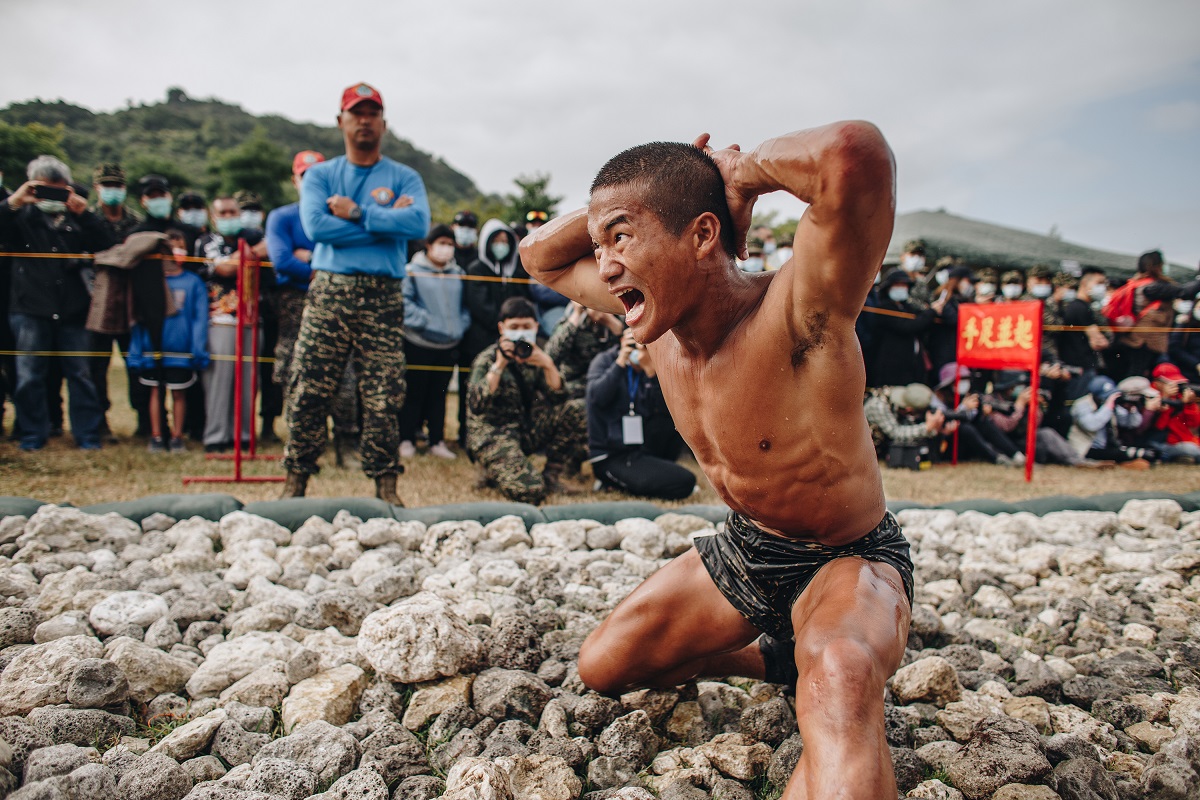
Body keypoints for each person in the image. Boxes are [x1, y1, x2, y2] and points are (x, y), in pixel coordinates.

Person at [520, 124, 914, 798]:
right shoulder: (657, 325)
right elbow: (538, 258)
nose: (606, 264)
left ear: (702, 236)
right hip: (750, 549)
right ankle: (779, 655)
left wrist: (740, 173)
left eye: (622, 237)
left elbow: (856, 155)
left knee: (842, 668)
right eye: (599, 245)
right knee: (602, 666)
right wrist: (654, 191)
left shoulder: (799, 311)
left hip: (848, 554)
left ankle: (830, 668)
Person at [282, 82, 430, 504]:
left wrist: (358, 212)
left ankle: (386, 488)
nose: (364, 120)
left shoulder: (405, 176)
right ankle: (295, 484)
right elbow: (316, 227)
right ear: (341, 121)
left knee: (384, 393)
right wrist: (386, 222)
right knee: (310, 386)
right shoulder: (322, 174)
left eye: (372, 113)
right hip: (331, 289)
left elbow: (418, 225)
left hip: (383, 294)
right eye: (356, 112)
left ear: (383, 122)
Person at [0, 155, 114, 451]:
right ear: (32, 187)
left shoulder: (77, 220)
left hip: (73, 308)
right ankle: (32, 435)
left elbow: (108, 246)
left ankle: (87, 436)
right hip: (29, 307)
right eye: (46, 190)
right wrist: (14, 202)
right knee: (29, 376)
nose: (54, 197)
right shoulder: (19, 219)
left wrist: (85, 213)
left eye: (59, 190)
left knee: (81, 373)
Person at [266, 150, 361, 463]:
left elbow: (350, 256)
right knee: (297, 376)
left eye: (317, 176)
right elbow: (281, 261)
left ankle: (346, 444)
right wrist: (322, 265)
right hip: (293, 307)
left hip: (337, 304)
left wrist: (311, 258)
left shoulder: (340, 215)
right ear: (294, 179)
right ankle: (304, 446)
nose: (310, 182)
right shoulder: (282, 217)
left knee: (344, 374)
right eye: (304, 176)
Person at [466, 296, 587, 504]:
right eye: (514, 326)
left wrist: (548, 365)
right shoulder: (487, 359)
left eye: (526, 326)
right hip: (493, 435)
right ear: (502, 328)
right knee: (529, 490)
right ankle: (492, 468)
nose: (521, 331)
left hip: (524, 430)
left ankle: (551, 476)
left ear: (536, 326)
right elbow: (477, 404)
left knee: (577, 409)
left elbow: (559, 397)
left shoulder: (536, 355)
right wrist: (500, 365)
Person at [587, 328, 696, 499]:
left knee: (672, 422)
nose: (640, 349)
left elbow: (667, 410)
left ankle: (650, 472)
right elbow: (596, 398)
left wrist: (652, 374)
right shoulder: (605, 360)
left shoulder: (651, 366)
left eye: (645, 345)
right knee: (684, 482)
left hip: (639, 450)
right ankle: (613, 480)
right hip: (611, 454)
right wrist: (620, 362)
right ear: (623, 340)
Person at [126, 231, 209, 452]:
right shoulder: (148, 282)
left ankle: (177, 437)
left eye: (178, 247)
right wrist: (136, 350)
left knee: (179, 393)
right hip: (153, 349)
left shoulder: (193, 283)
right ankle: (156, 436)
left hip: (181, 352)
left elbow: (199, 319)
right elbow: (137, 318)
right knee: (155, 391)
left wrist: (197, 348)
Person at [459, 218, 532, 449]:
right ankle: (466, 435)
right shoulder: (476, 269)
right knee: (476, 386)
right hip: (480, 340)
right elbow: (479, 306)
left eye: (505, 241)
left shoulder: (516, 270)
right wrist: (503, 325)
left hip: (510, 339)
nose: (501, 245)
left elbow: (522, 302)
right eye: (496, 241)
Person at [398, 224, 470, 459]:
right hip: (419, 342)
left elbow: (463, 306)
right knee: (414, 394)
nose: (446, 249)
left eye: (450, 245)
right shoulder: (411, 270)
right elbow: (405, 303)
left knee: (439, 397)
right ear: (429, 245)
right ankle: (406, 439)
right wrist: (427, 322)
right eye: (441, 243)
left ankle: (436, 441)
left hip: (448, 345)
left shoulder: (458, 273)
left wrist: (459, 325)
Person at [1104, 250, 1200, 382]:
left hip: (1135, 340)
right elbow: (1184, 292)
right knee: (1136, 377)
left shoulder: (1139, 283)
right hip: (1143, 342)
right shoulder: (1153, 287)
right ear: (1156, 266)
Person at [865, 269, 934, 388]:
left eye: (904, 285)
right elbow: (907, 326)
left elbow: (920, 322)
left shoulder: (908, 307)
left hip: (911, 363)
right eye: (898, 285)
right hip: (890, 365)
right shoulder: (884, 308)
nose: (901, 288)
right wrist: (930, 313)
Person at [545, 300, 624, 399]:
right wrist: (577, 313)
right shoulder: (571, 321)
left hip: (610, 383)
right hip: (577, 387)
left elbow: (635, 353)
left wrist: (613, 325)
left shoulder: (619, 318)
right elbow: (551, 355)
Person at [1144, 362, 1200, 462]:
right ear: (1158, 383)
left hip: (1181, 440)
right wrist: (1165, 399)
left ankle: (1181, 457)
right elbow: (1159, 427)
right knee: (1191, 450)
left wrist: (1189, 404)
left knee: (1192, 448)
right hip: (1157, 442)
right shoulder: (1149, 396)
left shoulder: (1179, 396)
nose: (1176, 386)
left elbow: (1194, 423)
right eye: (1172, 382)